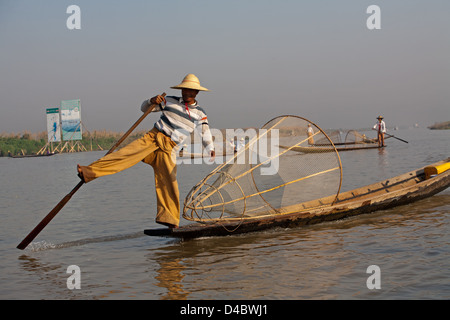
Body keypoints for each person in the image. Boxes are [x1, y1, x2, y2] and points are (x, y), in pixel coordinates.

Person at [77, 74, 215, 229]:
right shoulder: (169, 100)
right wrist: (151, 101)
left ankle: (169, 220)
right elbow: (144, 109)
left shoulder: (200, 113)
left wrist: (210, 148)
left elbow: (205, 132)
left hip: (168, 148)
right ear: (181, 90)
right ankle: (88, 172)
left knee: (169, 181)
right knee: (124, 156)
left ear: (196, 93)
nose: (187, 93)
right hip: (152, 138)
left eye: (191, 91)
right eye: (185, 90)